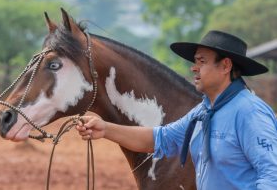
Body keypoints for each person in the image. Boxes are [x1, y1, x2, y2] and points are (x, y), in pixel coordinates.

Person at [76, 30, 277, 189]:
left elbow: (272, 174)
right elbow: (160, 138)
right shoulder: (203, 112)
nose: (194, 68)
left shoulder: (250, 113)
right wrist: (105, 129)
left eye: (202, 61)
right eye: (195, 62)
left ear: (225, 66)